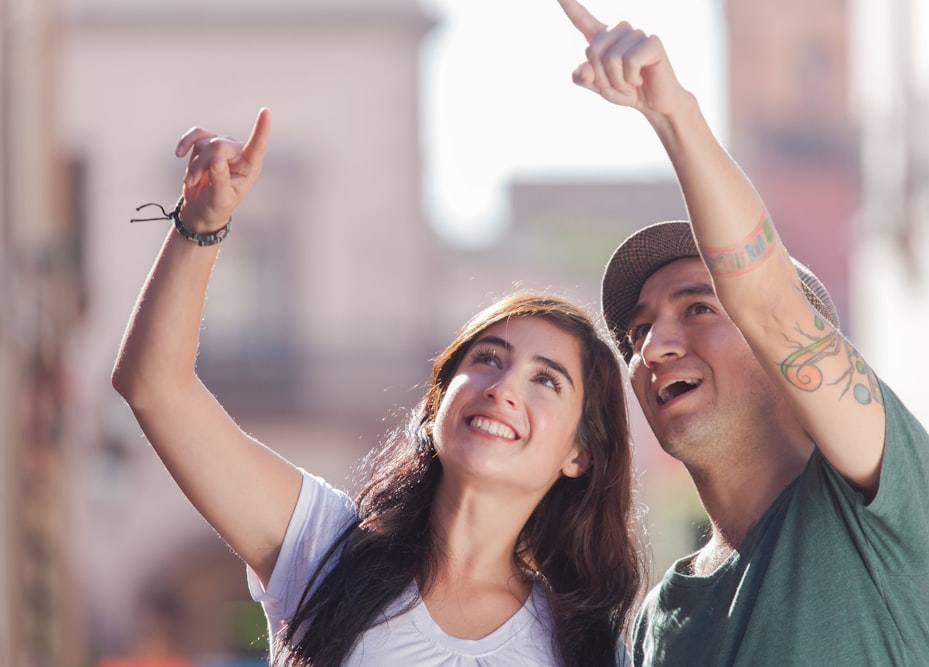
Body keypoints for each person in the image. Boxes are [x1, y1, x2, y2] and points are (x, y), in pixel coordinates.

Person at [112, 108, 646, 666]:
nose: (504, 387)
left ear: (580, 453)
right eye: (488, 359)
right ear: (440, 398)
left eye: (545, 380)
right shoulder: (322, 547)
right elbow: (154, 386)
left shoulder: (586, 646)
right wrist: (200, 226)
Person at [556, 1, 929, 665]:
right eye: (636, 331)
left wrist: (672, 113)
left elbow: (771, 308)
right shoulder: (651, 626)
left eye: (699, 308)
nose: (653, 346)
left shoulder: (882, 507)